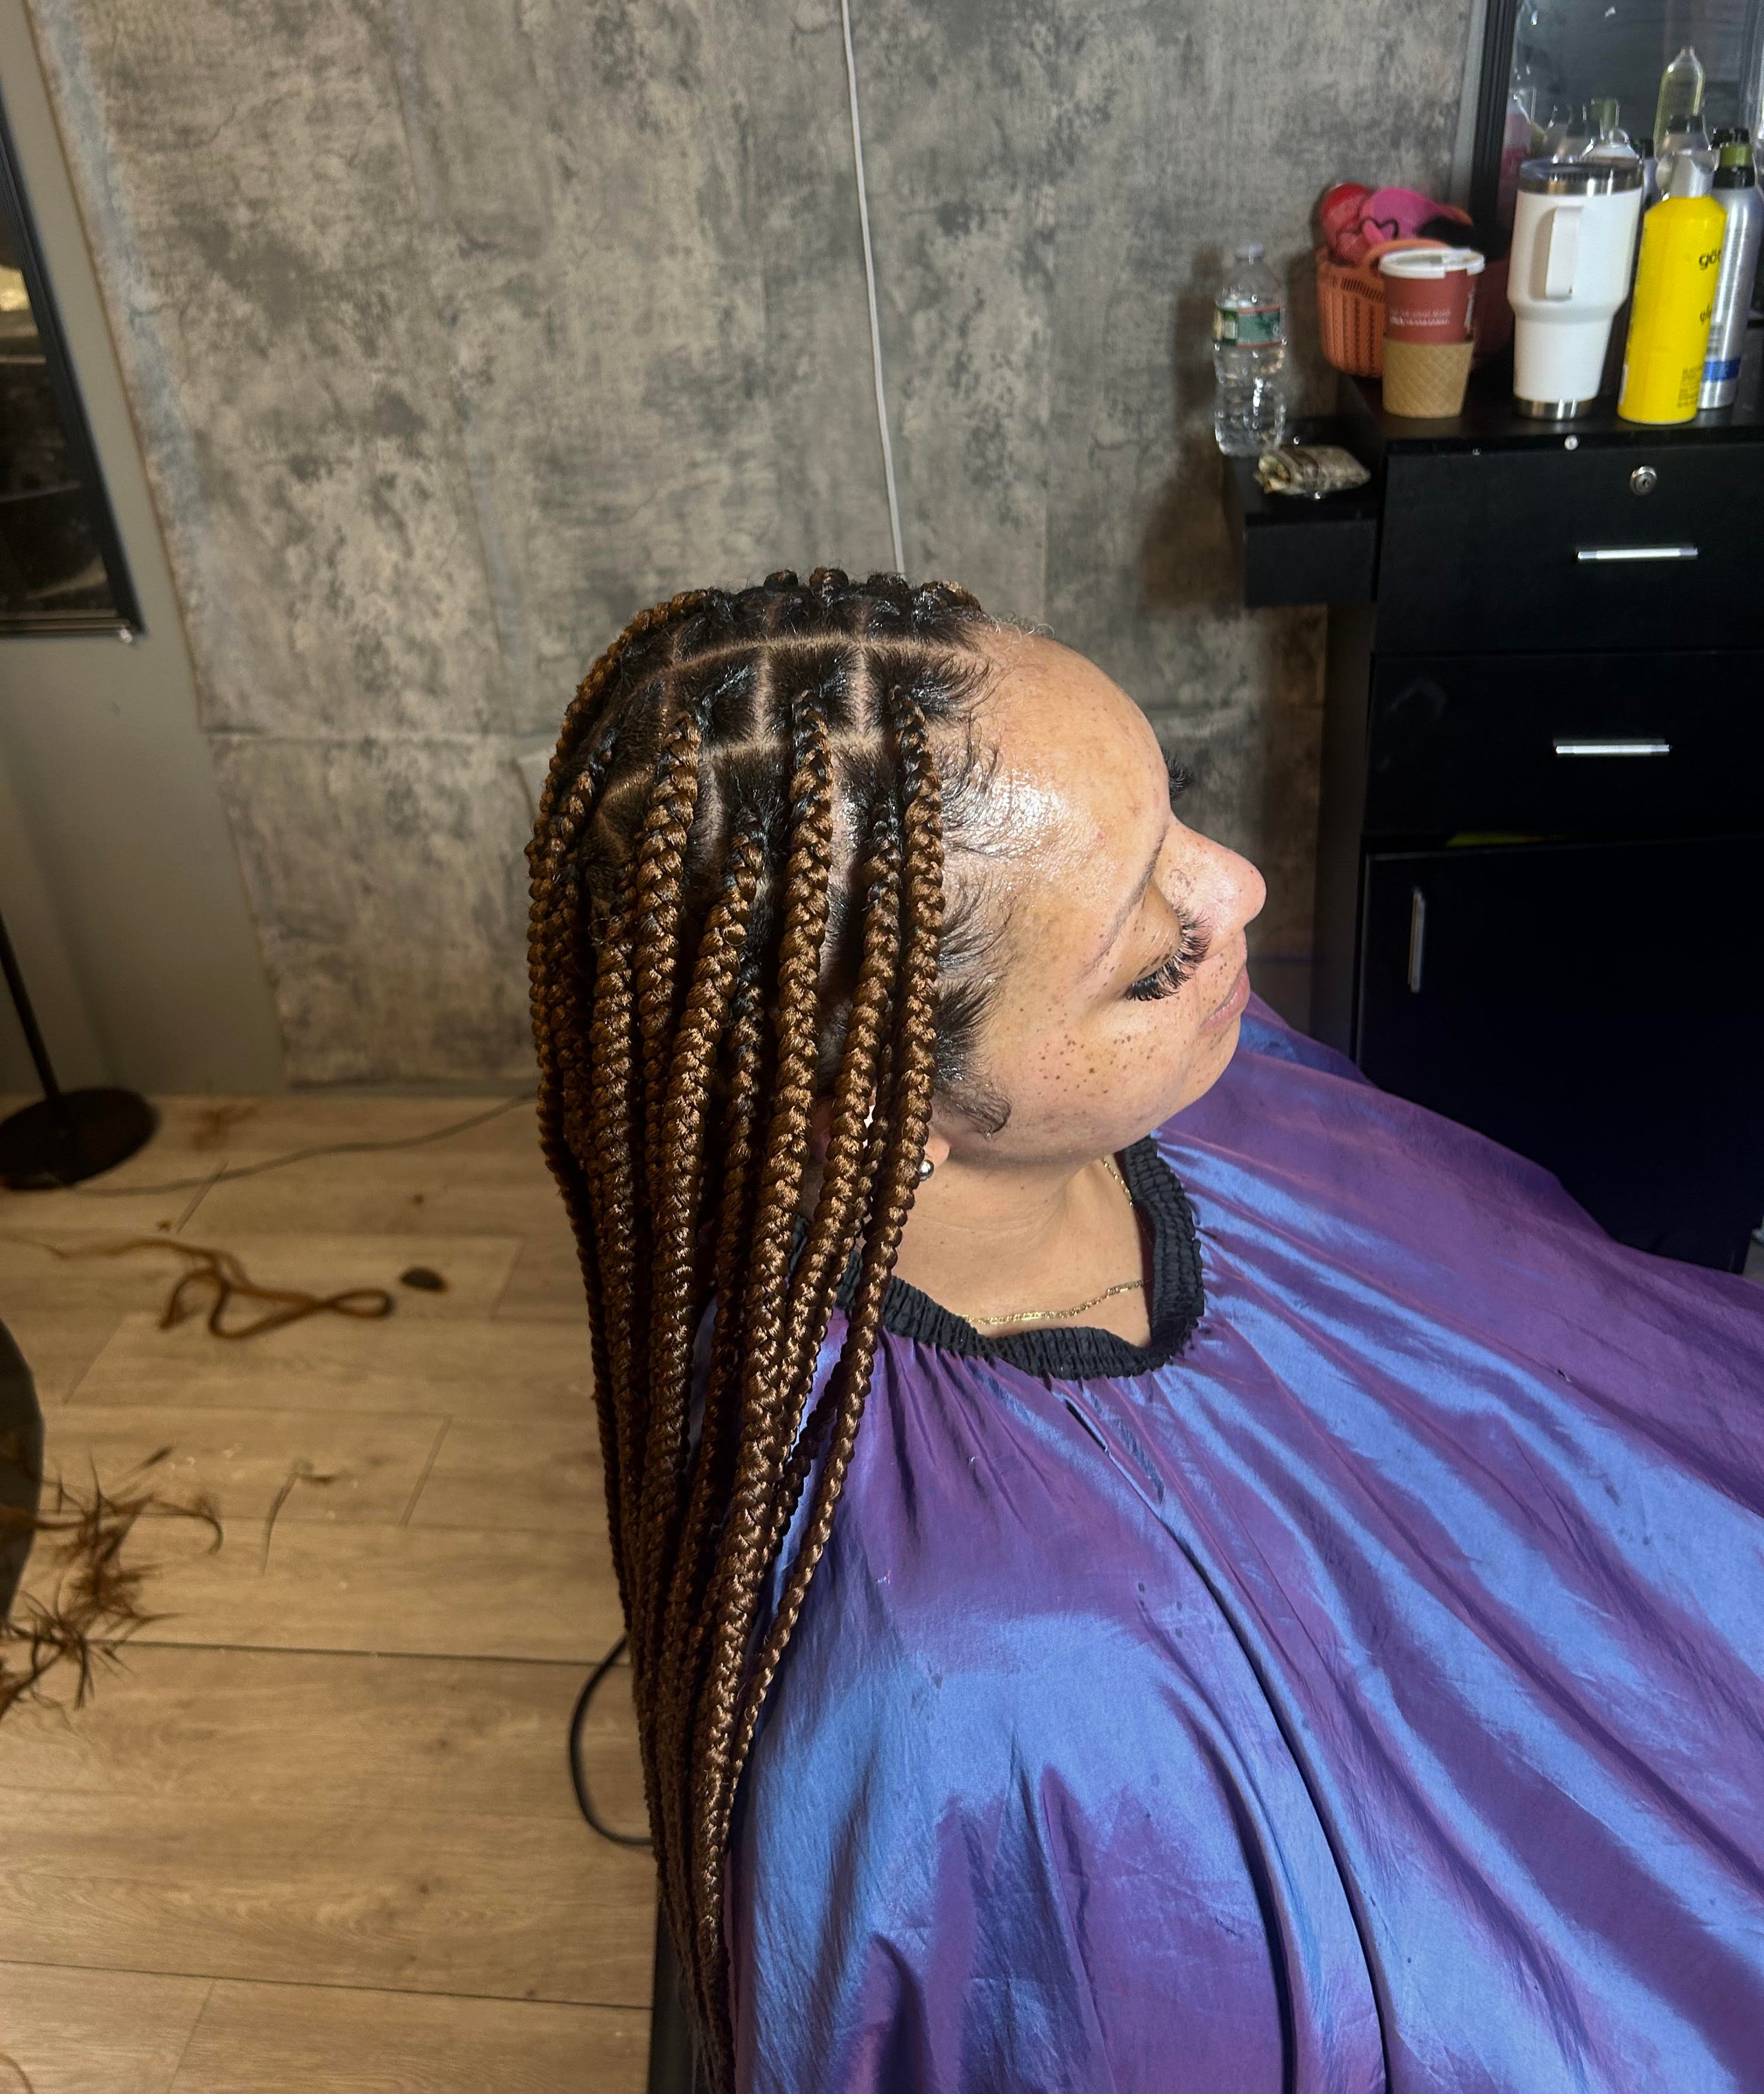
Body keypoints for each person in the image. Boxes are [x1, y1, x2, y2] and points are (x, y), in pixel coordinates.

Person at [527, 569, 1764, 2094]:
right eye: (1147, 949)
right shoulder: (975, 1693)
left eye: (1174, 819)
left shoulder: (1200, 1087)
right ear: (889, 1110)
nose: (1234, 890)